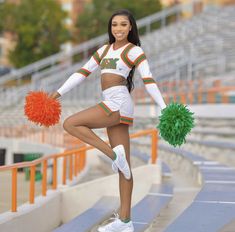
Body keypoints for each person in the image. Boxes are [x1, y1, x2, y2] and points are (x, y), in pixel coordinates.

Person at [50, 9, 166, 232]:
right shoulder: (104, 50)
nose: (119, 29)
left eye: (123, 25)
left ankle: (114, 155)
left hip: (117, 104)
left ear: (131, 27)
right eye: (115, 25)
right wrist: (58, 93)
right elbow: (81, 73)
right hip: (113, 104)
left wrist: (163, 107)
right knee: (125, 169)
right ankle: (125, 221)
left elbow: (149, 80)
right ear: (110, 28)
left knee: (71, 123)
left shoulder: (134, 51)